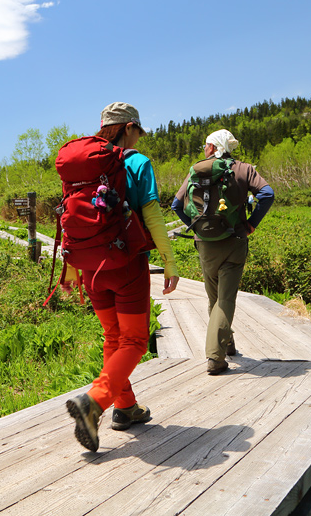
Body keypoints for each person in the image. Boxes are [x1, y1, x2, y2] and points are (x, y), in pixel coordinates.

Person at [65, 102, 180, 452]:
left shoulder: (85, 168)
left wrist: (72, 269)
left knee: (114, 337)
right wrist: (170, 261)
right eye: (138, 131)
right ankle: (95, 402)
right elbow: (153, 216)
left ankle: (125, 407)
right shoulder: (136, 162)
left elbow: (71, 221)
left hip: (90, 268)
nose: (139, 138)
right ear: (129, 127)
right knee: (134, 341)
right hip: (127, 264)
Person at [171, 129, 274, 375]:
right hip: (235, 239)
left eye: (205, 146)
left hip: (205, 244)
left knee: (214, 298)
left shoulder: (196, 170)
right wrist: (251, 224)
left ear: (211, 147)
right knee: (226, 298)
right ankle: (215, 358)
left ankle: (226, 345)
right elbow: (267, 194)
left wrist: (195, 226)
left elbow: (176, 205)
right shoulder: (244, 169)